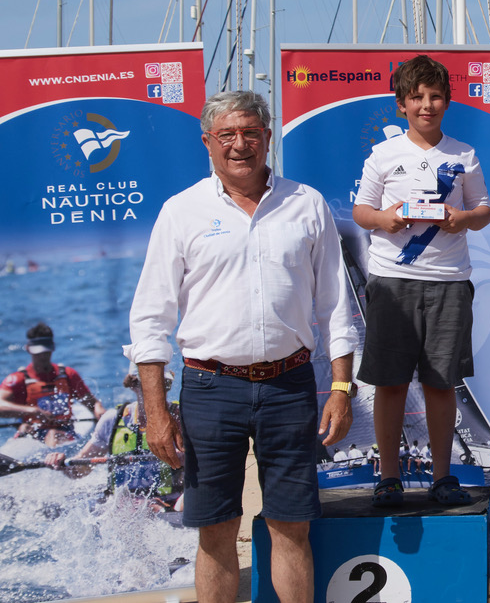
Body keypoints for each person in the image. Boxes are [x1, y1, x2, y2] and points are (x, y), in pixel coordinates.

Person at [125, 90, 358, 603]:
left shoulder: (307, 204)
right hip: (210, 390)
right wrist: (155, 409)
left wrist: (341, 387)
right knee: (216, 531)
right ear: (207, 142)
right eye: (227, 134)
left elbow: (337, 307)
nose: (240, 145)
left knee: (292, 527)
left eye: (250, 133)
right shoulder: (180, 211)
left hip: (291, 387)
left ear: (267, 138)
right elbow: (149, 319)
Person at [352, 55, 490, 507]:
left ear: (447, 102)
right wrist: (386, 219)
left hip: (450, 281)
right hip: (392, 282)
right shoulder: (383, 155)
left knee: (440, 381)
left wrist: (463, 218)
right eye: (416, 98)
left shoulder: (464, 154)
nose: (426, 105)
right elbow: (361, 211)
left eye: (435, 97)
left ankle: (442, 477)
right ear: (401, 105)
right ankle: (389, 477)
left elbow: (485, 210)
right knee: (390, 383)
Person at [46, 365, 182, 512]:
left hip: (168, 504)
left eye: (163, 385)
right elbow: (80, 470)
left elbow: (204, 468)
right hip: (121, 505)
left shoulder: (181, 418)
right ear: (134, 385)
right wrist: (61, 463)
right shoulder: (112, 420)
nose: (158, 392)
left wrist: (187, 458)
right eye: (149, 385)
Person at [0, 323, 106, 447]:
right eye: (38, 353)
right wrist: (34, 411)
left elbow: (93, 403)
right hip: (32, 432)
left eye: (46, 352)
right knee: (25, 428)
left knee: (52, 434)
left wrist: (99, 410)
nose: (43, 356)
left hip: (64, 431)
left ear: (53, 348)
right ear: (28, 348)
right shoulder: (17, 379)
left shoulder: (68, 375)